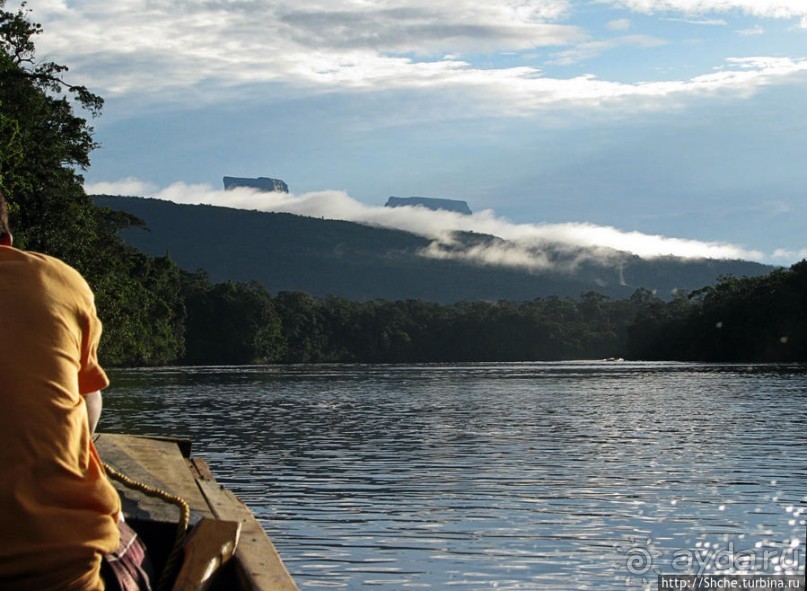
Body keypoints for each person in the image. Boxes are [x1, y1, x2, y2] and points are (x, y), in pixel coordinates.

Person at [0, 191, 152, 590]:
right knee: (131, 550)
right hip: (59, 570)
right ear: (7, 239)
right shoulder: (56, 280)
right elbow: (88, 405)